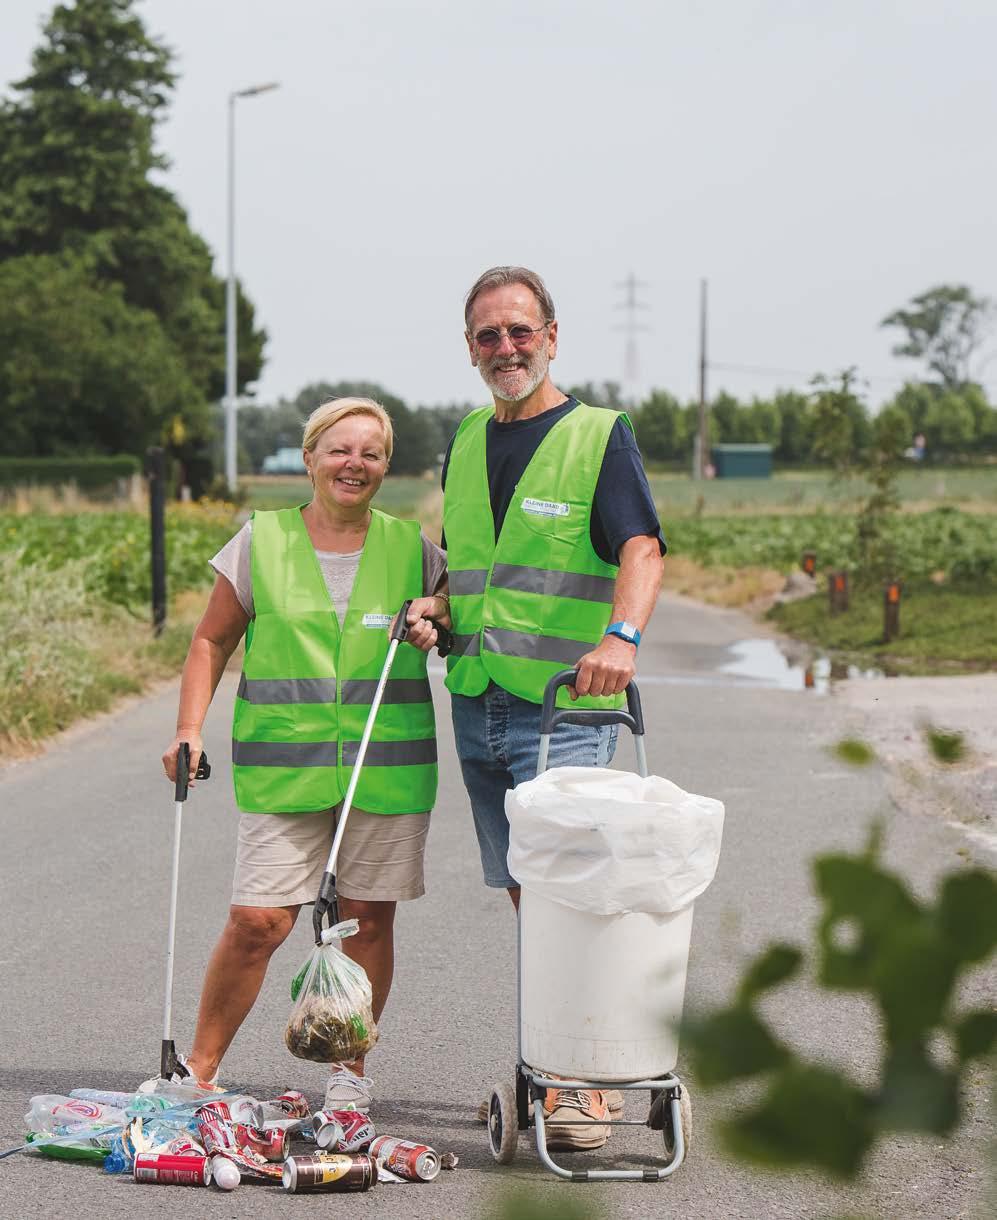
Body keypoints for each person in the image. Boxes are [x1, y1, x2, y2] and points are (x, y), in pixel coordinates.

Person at [158, 396, 449, 1112]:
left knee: (367, 920)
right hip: (284, 769)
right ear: (311, 456)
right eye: (340, 450)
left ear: (386, 465)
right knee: (258, 921)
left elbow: (452, 618)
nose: (355, 465)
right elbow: (209, 640)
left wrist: (434, 618)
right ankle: (195, 1073)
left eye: (371, 453)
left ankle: (349, 1074)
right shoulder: (260, 541)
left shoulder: (415, 550)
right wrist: (188, 726)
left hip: (385, 772)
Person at [442, 266, 666, 1150]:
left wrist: (622, 638)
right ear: (470, 348)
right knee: (529, 894)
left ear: (551, 335)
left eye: (519, 331)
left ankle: (589, 1087)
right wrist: (436, 611)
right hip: (477, 700)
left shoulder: (597, 436)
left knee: (571, 892)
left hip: (567, 708)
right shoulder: (465, 438)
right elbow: (475, 568)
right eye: (488, 336)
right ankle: (555, 1061)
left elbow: (640, 549)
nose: (505, 348)